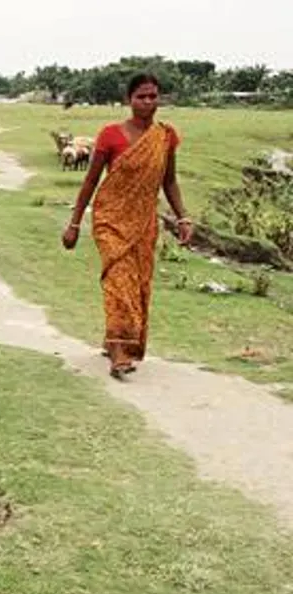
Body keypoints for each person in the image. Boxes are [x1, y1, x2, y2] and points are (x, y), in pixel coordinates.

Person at [62, 72, 192, 379]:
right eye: (141, 96)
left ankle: (115, 338)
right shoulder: (110, 135)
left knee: (137, 284)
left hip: (144, 222)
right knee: (118, 280)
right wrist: (74, 223)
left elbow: (169, 180)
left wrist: (183, 217)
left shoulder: (166, 136)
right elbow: (91, 180)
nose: (148, 102)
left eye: (153, 96)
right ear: (129, 100)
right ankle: (119, 350)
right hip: (111, 220)